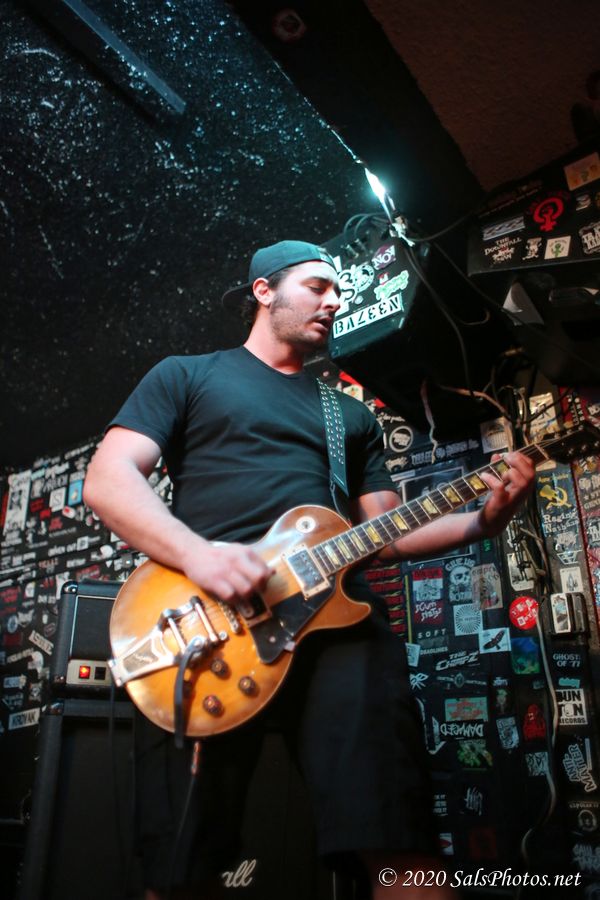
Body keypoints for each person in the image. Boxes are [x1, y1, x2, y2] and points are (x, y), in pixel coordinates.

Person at [83, 240, 535, 899]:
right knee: (180, 867)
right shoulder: (186, 375)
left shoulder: (348, 414)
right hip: (209, 623)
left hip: (340, 629)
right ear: (264, 291)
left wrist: (481, 521)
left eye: (339, 291)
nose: (334, 301)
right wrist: (198, 554)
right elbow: (108, 478)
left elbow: (386, 533)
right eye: (318, 286)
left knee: (401, 842)